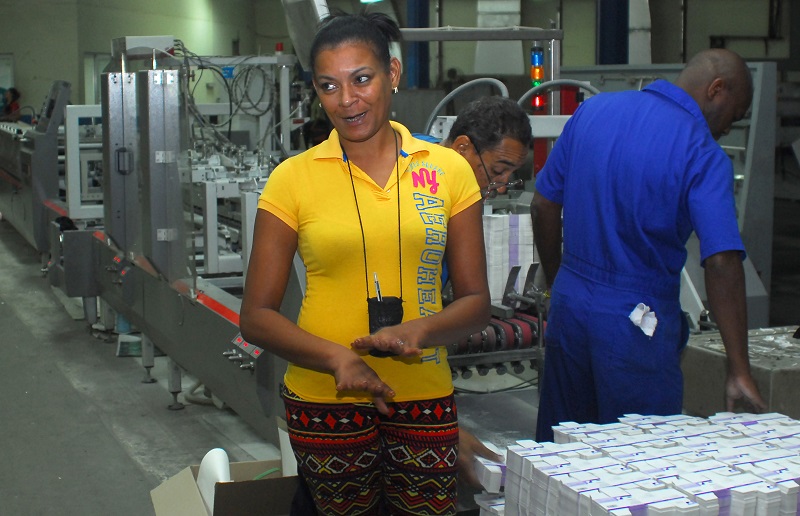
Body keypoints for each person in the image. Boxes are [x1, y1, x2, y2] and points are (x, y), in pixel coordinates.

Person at [240, 9, 491, 516]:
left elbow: (476, 302)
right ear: (316, 90)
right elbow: (257, 315)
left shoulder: (447, 172)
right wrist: (338, 359)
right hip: (324, 398)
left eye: (362, 79)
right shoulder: (294, 179)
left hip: (423, 392)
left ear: (391, 75)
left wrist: (419, 333)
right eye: (329, 86)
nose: (347, 100)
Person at [531, 48, 767, 444]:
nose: (727, 128)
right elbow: (722, 261)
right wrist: (739, 367)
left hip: (570, 308)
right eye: (735, 115)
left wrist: (560, 284)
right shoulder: (702, 153)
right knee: (640, 464)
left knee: (562, 456)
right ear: (717, 89)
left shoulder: (593, 112)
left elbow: (542, 205)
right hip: (636, 325)